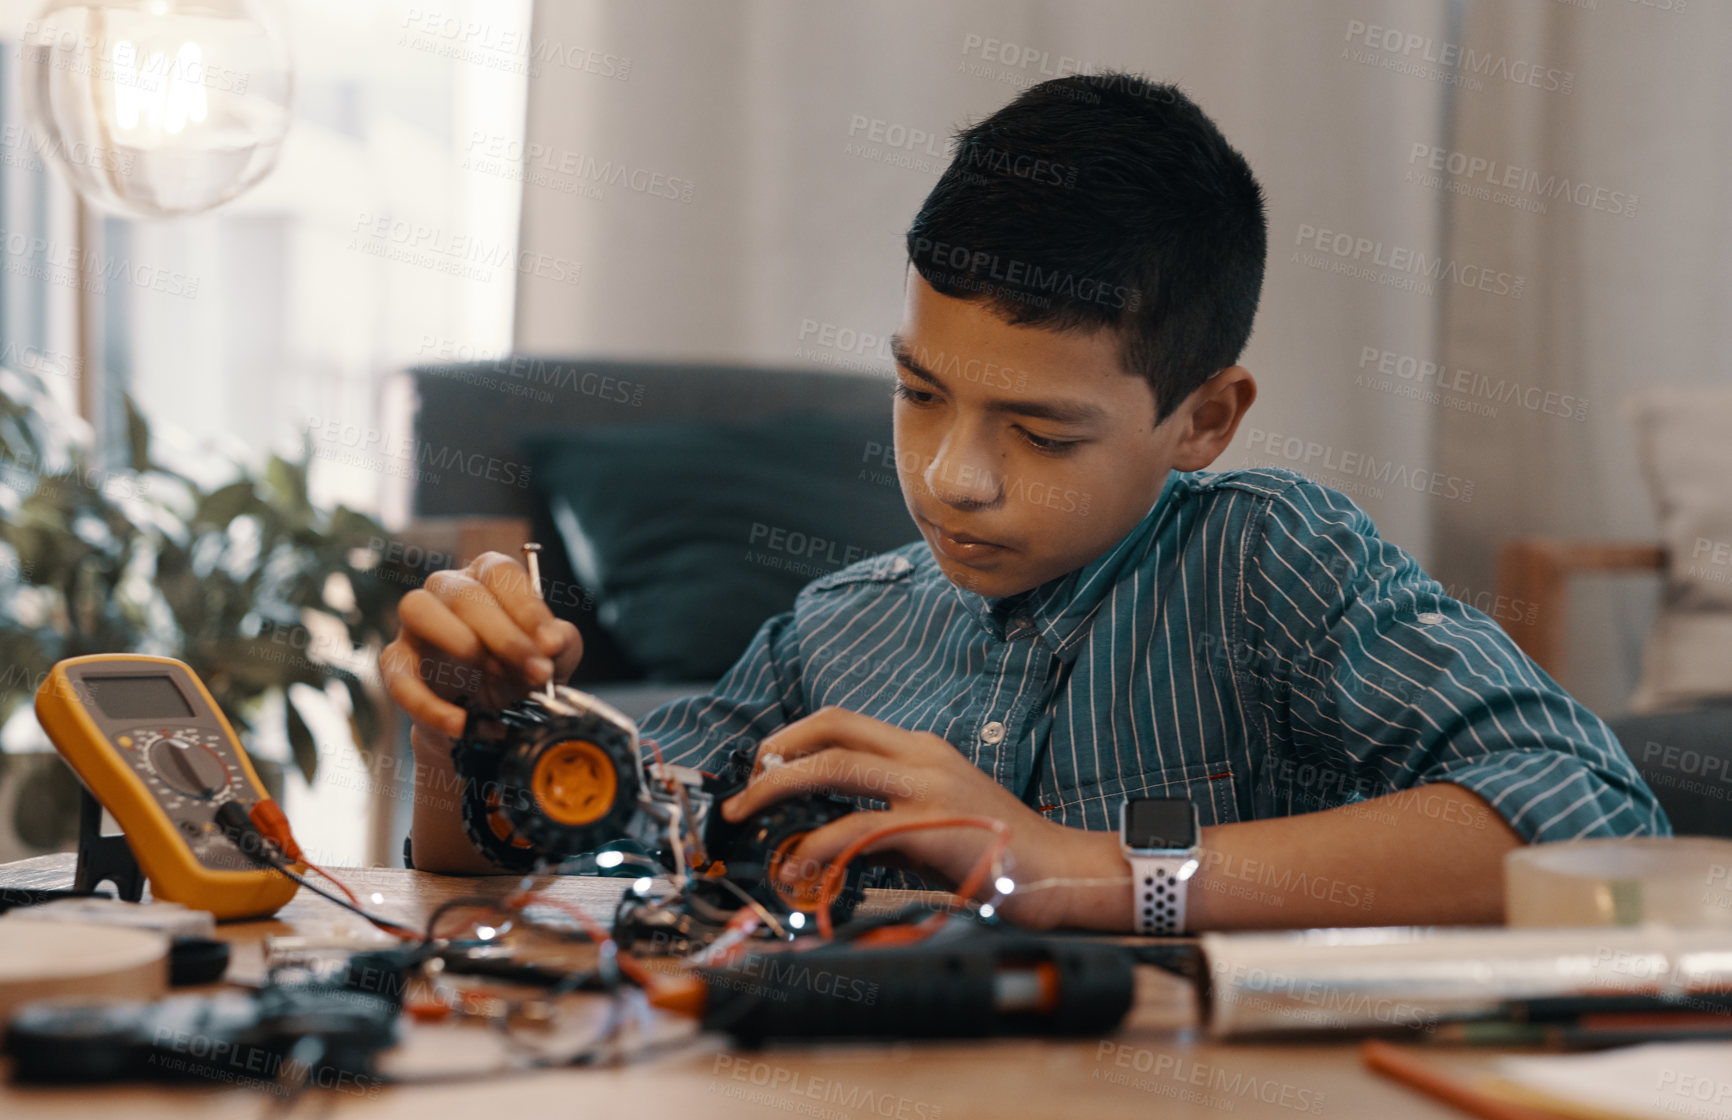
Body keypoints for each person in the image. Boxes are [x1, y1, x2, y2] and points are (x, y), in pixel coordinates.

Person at [382, 73, 1667, 935]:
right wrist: (473, 729)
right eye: (920, 392)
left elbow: (1589, 807)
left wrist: (1081, 864)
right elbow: (525, 856)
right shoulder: (837, 629)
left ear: (1204, 419)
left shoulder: (1268, 562)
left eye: (1042, 430)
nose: (954, 476)